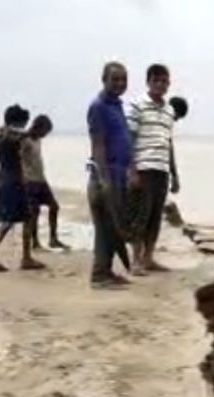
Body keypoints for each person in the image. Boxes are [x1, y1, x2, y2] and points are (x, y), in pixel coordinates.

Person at [124, 63, 180, 275]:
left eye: (164, 81)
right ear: (148, 82)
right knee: (140, 215)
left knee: (155, 217)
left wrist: (175, 175)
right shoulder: (138, 105)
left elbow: (168, 143)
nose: (160, 85)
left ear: (169, 84)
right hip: (143, 167)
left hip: (161, 169)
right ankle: (136, 260)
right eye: (156, 80)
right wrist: (132, 170)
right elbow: (129, 139)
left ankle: (149, 258)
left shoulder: (169, 111)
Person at [0, 104, 45, 272]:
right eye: (23, 122)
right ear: (17, 122)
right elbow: (23, 135)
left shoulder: (2, 136)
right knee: (11, 221)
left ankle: (17, 256)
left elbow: (18, 135)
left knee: (21, 218)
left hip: (7, 179)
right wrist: (32, 130)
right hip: (14, 181)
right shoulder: (10, 136)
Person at [88, 61, 135, 288]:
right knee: (105, 226)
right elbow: (98, 145)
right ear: (104, 80)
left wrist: (130, 170)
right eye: (115, 79)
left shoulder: (116, 106)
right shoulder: (98, 107)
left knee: (113, 224)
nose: (120, 83)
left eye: (123, 79)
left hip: (119, 173)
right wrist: (105, 179)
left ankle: (106, 270)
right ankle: (99, 275)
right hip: (104, 175)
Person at [21, 114, 67, 251]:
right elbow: (19, 158)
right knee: (34, 212)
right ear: (38, 127)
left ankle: (53, 238)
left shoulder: (38, 140)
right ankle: (35, 242)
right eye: (45, 131)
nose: (45, 135)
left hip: (40, 179)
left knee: (54, 206)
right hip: (29, 181)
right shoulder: (25, 140)